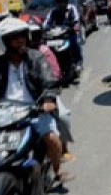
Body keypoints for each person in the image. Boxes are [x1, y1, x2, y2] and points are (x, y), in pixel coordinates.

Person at [0, 17, 74, 182]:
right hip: (4, 112)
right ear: (4, 42)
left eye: (22, 36)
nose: (21, 41)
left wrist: (47, 98)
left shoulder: (36, 57)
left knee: (52, 138)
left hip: (34, 109)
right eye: (14, 38)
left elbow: (48, 79)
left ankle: (57, 170)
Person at [23, 15, 76, 163]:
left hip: (44, 95)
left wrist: (51, 91)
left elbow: (55, 72)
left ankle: (64, 147)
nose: (33, 39)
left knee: (64, 116)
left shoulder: (44, 51)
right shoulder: (17, 56)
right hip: (21, 101)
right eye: (30, 35)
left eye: (36, 34)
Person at [43, 0, 84, 72]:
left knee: (75, 42)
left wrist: (75, 26)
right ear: (57, 2)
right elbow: (46, 23)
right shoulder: (53, 12)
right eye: (61, 2)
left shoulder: (72, 8)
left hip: (69, 34)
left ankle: (78, 62)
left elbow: (76, 20)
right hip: (57, 36)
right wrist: (45, 28)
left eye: (64, 2)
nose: (63, 4)